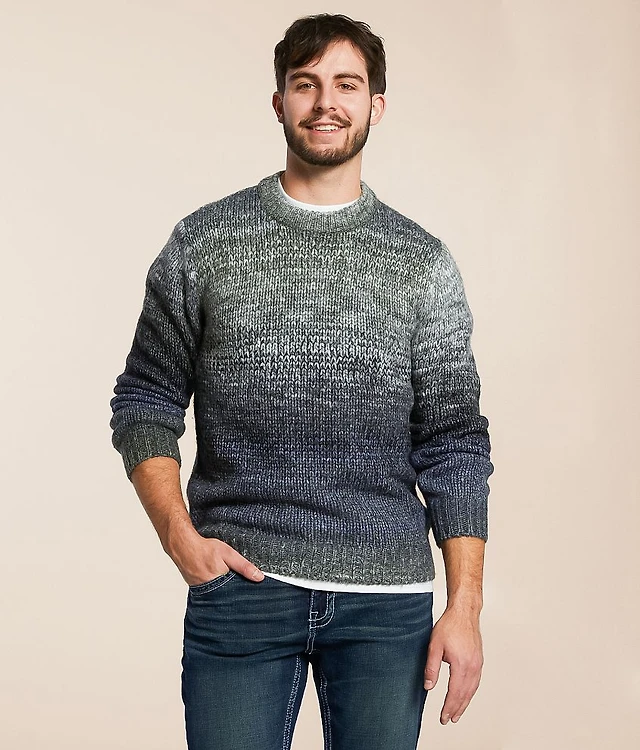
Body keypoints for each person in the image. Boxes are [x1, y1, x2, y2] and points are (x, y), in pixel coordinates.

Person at [109, 12, 494, 750]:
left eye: (346, 85)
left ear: (376, 104)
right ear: (279, 100)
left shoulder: (421, 262)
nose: (325, 102)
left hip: (387, 604)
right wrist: (179, 538)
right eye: (306, 83)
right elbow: (145, 399)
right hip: (242, 589)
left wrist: (465, 606)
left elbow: (454, 443)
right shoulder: (206, 242)